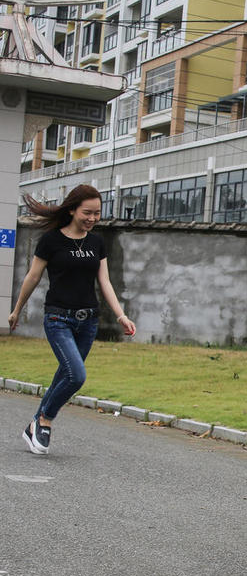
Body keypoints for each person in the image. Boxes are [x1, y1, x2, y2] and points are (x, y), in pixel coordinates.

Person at [8, 185, 136, 455]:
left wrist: (121, 314)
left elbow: (104, 281)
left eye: (97, 213)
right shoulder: (51, 241)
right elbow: (32, 277)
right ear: (72, 210)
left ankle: (34, 425)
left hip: (88, 320)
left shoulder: (96, 242)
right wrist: (17, 309)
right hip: (58, 318)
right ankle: (44, 421)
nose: (92, 218)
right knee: (75, 375)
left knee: (64, 374)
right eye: (86, 213)